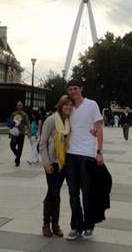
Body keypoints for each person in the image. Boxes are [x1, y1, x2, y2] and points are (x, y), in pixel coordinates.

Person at [64, 79, 104, 241]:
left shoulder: (91, 105)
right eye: (70, 89)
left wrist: (99, 151)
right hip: (71, 154)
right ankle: (76, 226)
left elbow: (99, 129)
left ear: (81, 89)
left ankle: (89, 225)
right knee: (73, 194)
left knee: (87, 193)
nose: (73, 91)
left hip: (87, 154)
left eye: (75, 88)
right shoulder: (68, 107)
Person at [39, 95, 72, 237]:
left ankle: (55, 224)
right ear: (60, 105)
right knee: (52, 191)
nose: (68, 107)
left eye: (70, 105)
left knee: (56, 192)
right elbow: (42, 143)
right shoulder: (51, 120)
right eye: (66, 105)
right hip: (52, 162)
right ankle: (46, 224)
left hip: (63, 163)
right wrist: (46, 163)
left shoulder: (68, 122)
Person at [9, 101, 29, 166]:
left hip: (21, 133)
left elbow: (27, 124)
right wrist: (10, 133)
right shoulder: (13, 114)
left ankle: (17, 160)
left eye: (20, 105)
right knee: (12, 145)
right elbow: (10, 123)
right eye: (18, 105)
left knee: (20, 147)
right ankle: (17, 155)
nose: (19, 106)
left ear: (22, 106)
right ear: (16, 106)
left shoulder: (24, 114)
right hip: (14, 134)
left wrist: (28, 131)